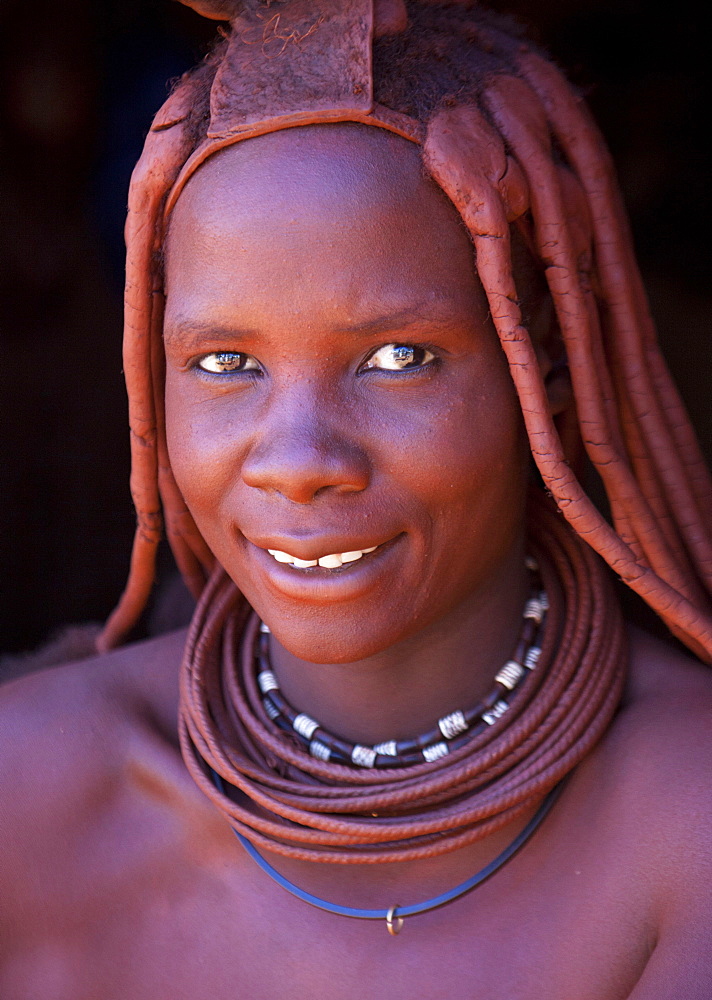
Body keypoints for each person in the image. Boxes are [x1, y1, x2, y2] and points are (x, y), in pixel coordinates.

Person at [1, 1, 711, 996]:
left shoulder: (687, 824)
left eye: (397, 358)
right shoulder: (27, 790)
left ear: (539, 360)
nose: (297, 458)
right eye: (223, 361)